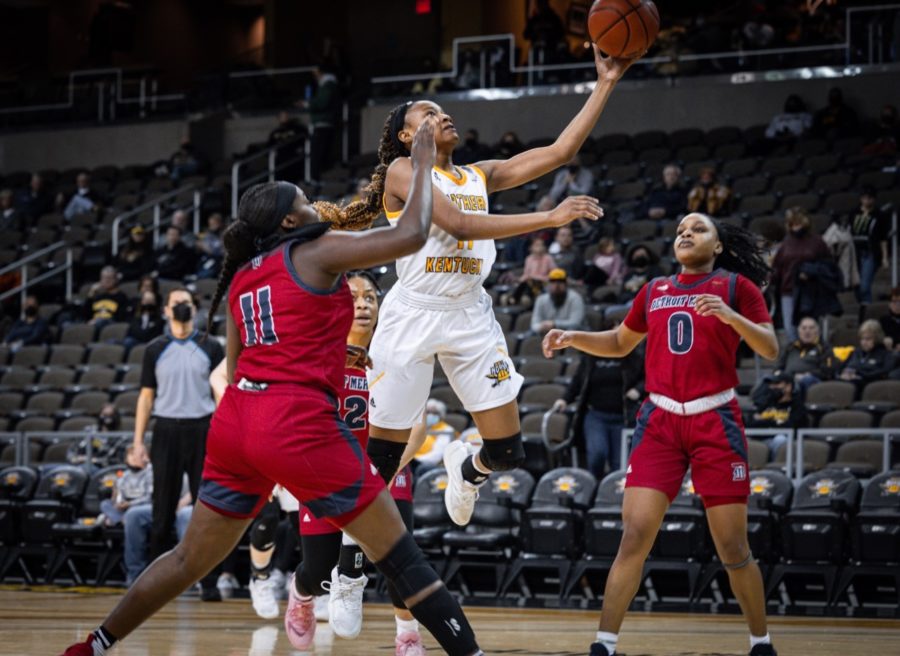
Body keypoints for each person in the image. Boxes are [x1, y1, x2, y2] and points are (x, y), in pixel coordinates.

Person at [60, 120, 486, 656]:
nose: (316, 207)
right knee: (400, 556)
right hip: (295, 418)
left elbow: (236, 368)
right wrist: (423, 163)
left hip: (237, 419)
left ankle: (95, 644)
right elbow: (412, 235)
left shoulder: (243, 276)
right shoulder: (318, 251)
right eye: (307, 202)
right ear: (290, 220)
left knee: (190, 559)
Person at [363, 47, 636, 530]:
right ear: (407, 136)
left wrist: (606, 82)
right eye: (429, 112)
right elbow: (462, 225)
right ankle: (349, 568)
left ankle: (466, 471)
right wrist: (550, 217)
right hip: (414, 311)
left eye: (445, 111)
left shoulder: (478, 175)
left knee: (508, 451)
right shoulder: (403, 172)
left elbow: (559, 153)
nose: (443, 115)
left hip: (468, 312)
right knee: (383, 460)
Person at [542, 212, 779, 656]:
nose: (686, 233)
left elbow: (769, 346)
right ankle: (604, 644)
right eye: (680, 231)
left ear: (719, 246)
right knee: (633, 535)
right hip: (660, 421)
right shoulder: (654, 290)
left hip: (716, 420)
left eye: (698, 229)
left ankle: (760, 641)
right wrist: (573, 336)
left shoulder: (735, 288)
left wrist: (730, 317)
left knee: (732, 547)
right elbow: (618, 342)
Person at [130, 287, 224, 601]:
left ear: (195, 308)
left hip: (203, 429)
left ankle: (208, 584)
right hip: (166, 430)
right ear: (166, 310)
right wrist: (138, 441)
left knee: (206, 509)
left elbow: (221, 394)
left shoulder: (210, 345)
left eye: (186, 302)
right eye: (176, 303)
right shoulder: (154, 348)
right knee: (162, 509)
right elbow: (146, 397)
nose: (181, 307)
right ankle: (156, 586)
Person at [552, 328, 644, 477]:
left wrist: (638, 390)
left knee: (619, 464)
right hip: (596, 415)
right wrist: (565, 399)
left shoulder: (632, 355)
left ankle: (613, 495)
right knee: (597, 454)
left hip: (623, 417)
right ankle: (594, 489)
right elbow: (578, 380)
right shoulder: (591, 356)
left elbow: (647, 376)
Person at [770, 208, 831, 341]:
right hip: (788, 290)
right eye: (792, 223)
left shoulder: (817, 242)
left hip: (810, 289)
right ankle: (796, 357)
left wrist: (811, 272)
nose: (795, 226)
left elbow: (828, 265)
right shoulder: (786, 243)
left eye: (798, 222)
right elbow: (777, 267)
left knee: (810, 326)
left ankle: (813, 355)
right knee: (790, 327)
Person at [849, 187, 890, 307]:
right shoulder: (854, 212)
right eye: (864, 198)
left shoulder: (879, 215)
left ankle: (867, 308)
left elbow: (883, 238)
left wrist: (885, 257)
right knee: (856, 284)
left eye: (869, 198)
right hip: (855, 252)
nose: (866, 201)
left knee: (864, 285)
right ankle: (863, 307)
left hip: (870, 252)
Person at [774, 316, 834, 395]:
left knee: (805, 381)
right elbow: (778, 366)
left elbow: (827, 371)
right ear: (799, 331)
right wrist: (778, 374)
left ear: (817, 331)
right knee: (766, 379)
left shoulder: (824, 348)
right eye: (804, 328)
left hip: (811, 380)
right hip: (788, 378)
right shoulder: (790, 347)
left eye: (811, 328)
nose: (807, 331)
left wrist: (808, 374)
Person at [838, 320, 895, 390]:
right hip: (845, 383)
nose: (864, 342)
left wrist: (859, 374)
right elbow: (839, 370)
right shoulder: (855, 352)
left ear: (877, 338)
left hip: (867, 386)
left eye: (868, 339)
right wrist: (841, 375)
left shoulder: (886, 354)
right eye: (862, 339)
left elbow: (884, 372)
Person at [531, 268, 585, 334]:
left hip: (570, 334)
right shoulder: (541, 299)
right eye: (553, 281)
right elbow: (534, 323)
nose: (557, 285)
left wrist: (554, 324)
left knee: (572, 330)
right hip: (547, 332)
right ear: (549, 284)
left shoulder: (575, 298)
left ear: (566, 283)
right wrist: (541, 327)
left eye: (560, 281)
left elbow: (575, 322)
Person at [412, 399, 458, 477]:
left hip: (432, 464)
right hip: (413, 461)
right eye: (428, 412)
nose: (430, 415)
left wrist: (416, 460)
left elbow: (437, 455)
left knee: (422, 468)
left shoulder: (446, 429)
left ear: (441, 415)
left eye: (434, 413)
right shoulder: (418, 427)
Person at [508, 236, 556, 307]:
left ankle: (514, 297)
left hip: (542, 284)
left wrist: (537, 278)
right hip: (529, 283)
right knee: (526, 282)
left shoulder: (548, 258)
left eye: (542, 245)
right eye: (537, 245)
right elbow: (526, 274)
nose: (540, 247)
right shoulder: (529, 259)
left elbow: (554, 274)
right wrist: (519, 279)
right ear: (531, 248)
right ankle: (520, 296)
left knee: (529, 281)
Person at [195, 213, 225, 279]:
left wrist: (205, 247)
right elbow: (199, 246)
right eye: (210, 224)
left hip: (218, 261)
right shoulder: (207, 235)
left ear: (220, 224)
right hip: (207, 259)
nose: (211, 226)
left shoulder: (224, 234)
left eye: (214, 224)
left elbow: (219, 251)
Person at [879, 287, 900, 353]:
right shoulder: (884, 320)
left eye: (899, 302)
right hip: (889, 351)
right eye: (894, 302)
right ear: (889, 304)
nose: (897, 305)